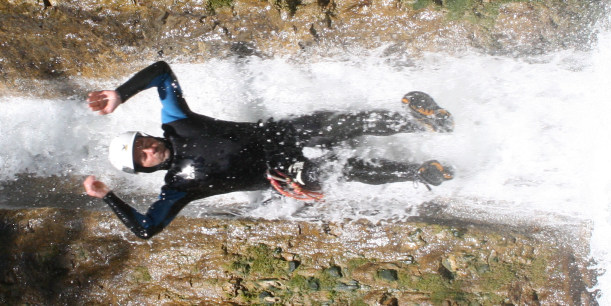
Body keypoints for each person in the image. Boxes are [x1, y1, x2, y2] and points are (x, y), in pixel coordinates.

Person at [80, 61, 455, 239]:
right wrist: (109, 196)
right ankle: (419, 173)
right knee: (339, 170)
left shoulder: (177, 123)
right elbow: (146, 229)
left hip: (280, 134)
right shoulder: (178, 187)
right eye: (140, 155)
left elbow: (162, 72)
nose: (146, 148)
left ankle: (421, 121)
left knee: (338, 123)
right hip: (284, 176)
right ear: (143, 170)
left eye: (141, 141)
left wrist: (121, 94)